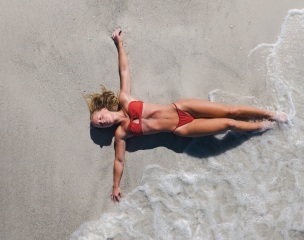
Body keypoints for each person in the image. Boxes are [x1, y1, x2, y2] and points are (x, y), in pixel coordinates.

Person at [85, 28, 288, 203]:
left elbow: (125, 71)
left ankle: (272, 114)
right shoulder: (121, 134)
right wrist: (115, 186)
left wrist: (120, 43)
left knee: (231, 111)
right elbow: (119, 161)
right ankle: (263, 126)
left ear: (104, 110)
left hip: (181, 108)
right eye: (101, 125)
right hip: (181, 129)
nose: (103, 122)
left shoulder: (125, 99)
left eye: (100, 118)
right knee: (228, 124)